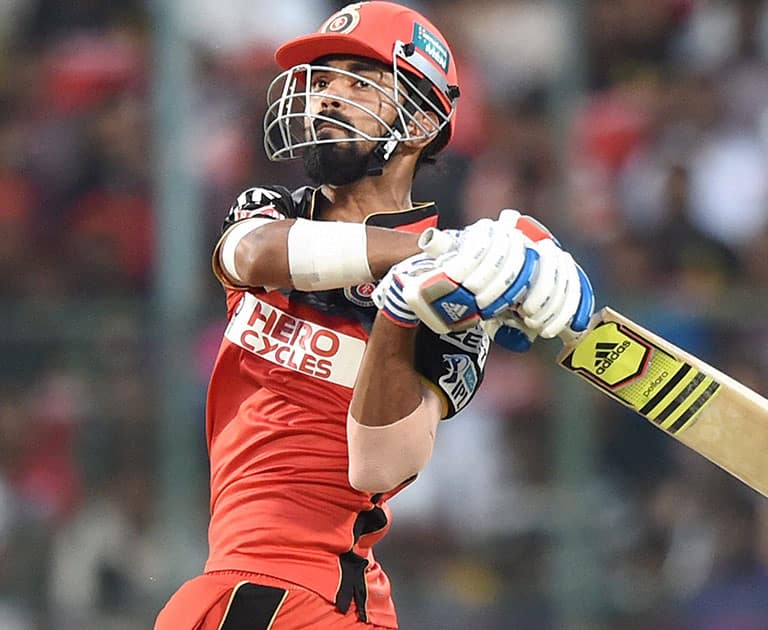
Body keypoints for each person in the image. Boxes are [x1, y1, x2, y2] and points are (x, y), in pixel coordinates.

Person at [154, 2, 593, 628]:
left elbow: (379, 466)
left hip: (314, 595)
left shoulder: (452, 293)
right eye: (323, 80)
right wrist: (433, 251)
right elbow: (249, 255)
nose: (328, 97)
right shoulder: (274, 211)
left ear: (419, 121)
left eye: (357, 83)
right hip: (236, 583)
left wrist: (400, 314)